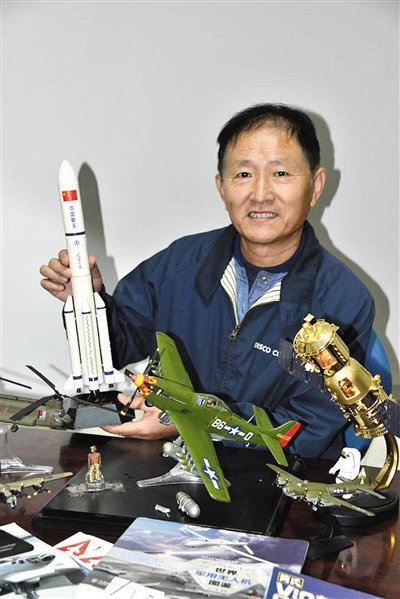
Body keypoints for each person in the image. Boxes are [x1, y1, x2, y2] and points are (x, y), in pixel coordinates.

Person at [40, 103, 375, 459]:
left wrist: (196, 421)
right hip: (173, 461)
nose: (260, 193)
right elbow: (120, 346)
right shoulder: (180, 264)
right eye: (243, 174)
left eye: (280, 173)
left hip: (280, 473)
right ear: (222, 187)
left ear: (315, 186)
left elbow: (308, 427)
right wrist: (91, 302)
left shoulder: (343, 300)